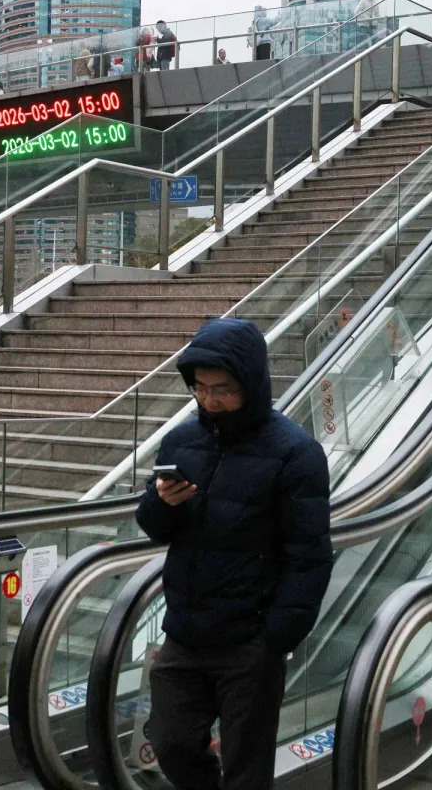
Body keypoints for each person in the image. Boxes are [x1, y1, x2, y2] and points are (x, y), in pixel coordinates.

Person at [138, 318, 334, 790]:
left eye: (222, 389)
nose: (209, 400)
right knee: (170, 742)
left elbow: (309, 555)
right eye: (200, 389)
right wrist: (161, 504)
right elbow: (153, 527)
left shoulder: (296, 453)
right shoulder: (183, 441)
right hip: (186, 632)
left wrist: (274, 638)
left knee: (247, 768)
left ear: (250, 382)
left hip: (250, 641)